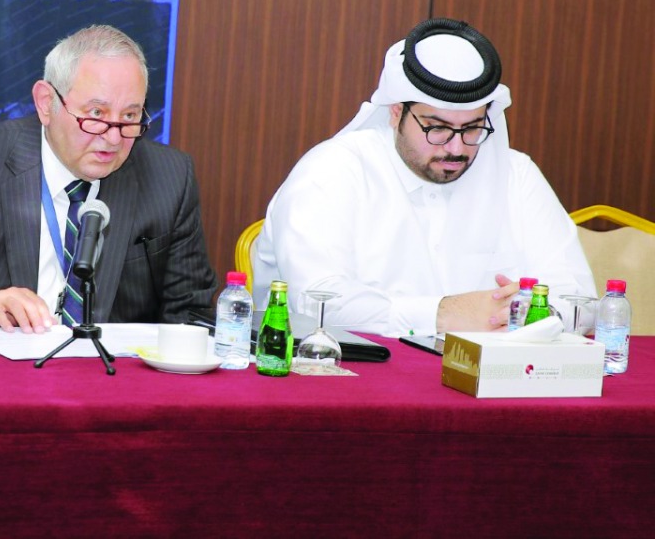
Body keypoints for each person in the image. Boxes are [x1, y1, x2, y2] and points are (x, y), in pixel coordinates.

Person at [253, 17, 596, 337]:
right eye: (437, 128)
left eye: (473, 128)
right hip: (350, 380)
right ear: (396, 113)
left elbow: (584, 303)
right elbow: (317, 303)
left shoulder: (516, 175)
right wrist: (442, 313)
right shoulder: (333, 170)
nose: (457, 148)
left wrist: (529, 311)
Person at [0, 24, 218, 330]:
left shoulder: (170, 178)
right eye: (96, 114)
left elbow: (191, 315)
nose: (114, 139)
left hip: (111, 387)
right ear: (46, 102)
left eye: (129, 116)